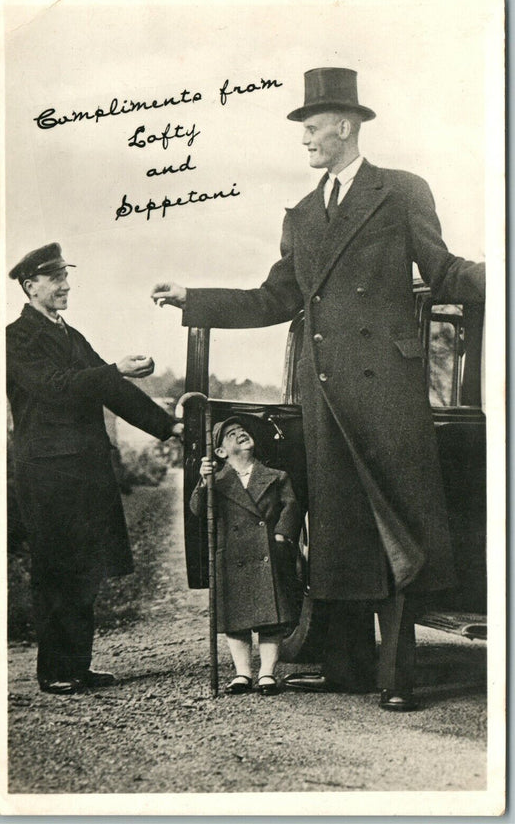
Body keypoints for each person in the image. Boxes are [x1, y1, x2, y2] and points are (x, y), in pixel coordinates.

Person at [151, 68, 486, 711]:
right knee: (341, 534)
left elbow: (443, 270)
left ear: (345, 127)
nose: (304, 139)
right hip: (325, 396)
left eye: (312, 127)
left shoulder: (401, 190)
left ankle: (397, 679)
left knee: (396, 532)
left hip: (386, 392)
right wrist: (195, 298)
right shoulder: (302, 215)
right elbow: (274, 298)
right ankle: (350, 670)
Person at [7, 242, 183, 695]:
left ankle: (77, 667)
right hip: (47, 473)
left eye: (66, 276)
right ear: (30, 286)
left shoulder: (71, 335)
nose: (66, 285)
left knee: (84, 567)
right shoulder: (16, 337)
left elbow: (110, 390)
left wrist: (168, 425)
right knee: (56, 568)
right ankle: (54, 671)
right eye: (56, 278)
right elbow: (56, 387)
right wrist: (114, 369)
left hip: (83, 468)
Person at [190, 417, 301, 695]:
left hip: (267, 553)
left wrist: (281, 535)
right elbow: (198, 509)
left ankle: (266, 673)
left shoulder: (276, 476)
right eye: (231, 434)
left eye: (243, 431)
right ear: (220, 452)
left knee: (271, 618)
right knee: (236, 619)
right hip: (233, 554)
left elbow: (291, 506)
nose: (241, 434)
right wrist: (203, 481)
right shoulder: (216, 481)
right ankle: (242, 673)